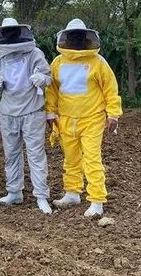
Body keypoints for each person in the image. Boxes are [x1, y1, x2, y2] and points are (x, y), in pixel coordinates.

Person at [46, 18, 122, 217]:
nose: (76, 40)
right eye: (73, 36)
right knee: (70, 159)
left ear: (86, 38)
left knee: (91, 159)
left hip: (92, 118)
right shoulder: (58, 62)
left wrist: (113, 114)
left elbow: (110, 89)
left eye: (79, 36)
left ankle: (97, 200)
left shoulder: (98, 62)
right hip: (66, 119)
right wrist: (50, 112)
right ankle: (72, 192)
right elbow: (52, 90)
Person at [0, 18, 53, 214]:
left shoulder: (34, 53)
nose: (9, 36)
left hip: (32, 111)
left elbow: (48, 78)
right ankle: (14, 192)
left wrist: (41, 79)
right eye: (6, 33)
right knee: (11, 154)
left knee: (35, 154)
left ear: (19, 33)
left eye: (12, 32)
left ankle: (41, 195)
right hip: (7, 112)